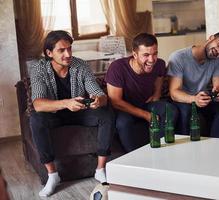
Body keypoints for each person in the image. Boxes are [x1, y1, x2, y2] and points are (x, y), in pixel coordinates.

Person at [29, 30, 115, 197]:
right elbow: (38, 104)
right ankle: (53, 175)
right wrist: (66, 103)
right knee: (35, 118)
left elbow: (99, 93)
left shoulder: (80, 65)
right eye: (61, 50)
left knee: (106, 113)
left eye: (69, 49)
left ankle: (100, 169)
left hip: (80, 111)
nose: (67, 54)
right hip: (54, 113)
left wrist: (98, 99)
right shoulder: (38, 69)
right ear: (49, 53)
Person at [105, 33, 177, 152]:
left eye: (155, 54)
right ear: (134, 54)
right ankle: (134, 157)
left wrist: (156, 94)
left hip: (146, 103)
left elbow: (160, 76)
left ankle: (161, 149)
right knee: (123, 123)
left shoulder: (159, 64)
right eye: (146, 55)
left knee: (170, 110)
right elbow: (116, 102)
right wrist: (146, 115)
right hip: (124, 108)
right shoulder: (117, 68)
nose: (151, 60)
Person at [167, 32, 219, 138]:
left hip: (202, 98)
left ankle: (216, 143)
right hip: (183, 99)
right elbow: (174, 92)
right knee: (186, 111)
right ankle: (185, 149)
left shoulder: (217, 59)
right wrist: (194, 99)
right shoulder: (178, 57)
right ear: (211, 38)